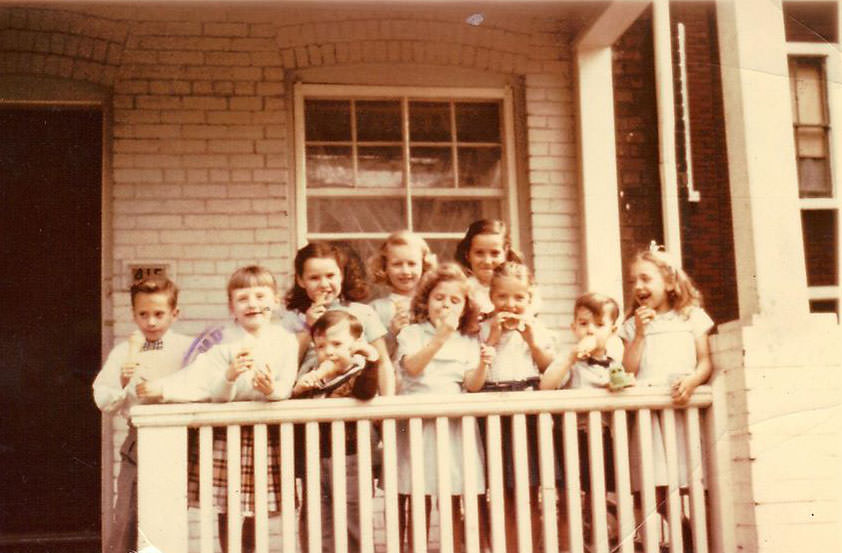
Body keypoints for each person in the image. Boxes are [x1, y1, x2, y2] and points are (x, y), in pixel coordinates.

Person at [138, 265, 298, 553]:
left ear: (275, 300)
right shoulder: (223, 340)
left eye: (260, 296)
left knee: (258, 509)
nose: (253, 304)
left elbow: (285, 388)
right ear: (231, 307)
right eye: (243, 298)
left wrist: (270, 390)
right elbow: (211, 391)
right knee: (229, 508)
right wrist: (230, 377)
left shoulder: (286, 341)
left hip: (265, 431)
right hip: (228, 433)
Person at [394, 262, 494, 553]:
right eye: (439, 298)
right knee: (418, 493)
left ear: (465, 307)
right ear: (426, 301)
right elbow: (412, 368)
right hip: (418, 422)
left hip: (454, 424)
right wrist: (439, 337)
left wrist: (484, 365)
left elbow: (472, 384)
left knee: (452, 493)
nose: (446, 305)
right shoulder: (412, 334)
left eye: (455, 300)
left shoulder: (467, 340)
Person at [618, 243, 713, 541]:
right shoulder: (632, 325)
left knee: (695, 481)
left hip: (683, 408)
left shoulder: (690, 316)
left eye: (646, 279)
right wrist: (641, 334)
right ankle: (685, 533)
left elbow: (705, 361)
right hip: (651, 415)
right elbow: (628, 369)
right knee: (652, 486)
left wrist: (693, 381)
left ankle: (705, 540)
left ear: (670, 282)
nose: (638, 286)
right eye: (634, 280)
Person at [93, 277, 193, 553]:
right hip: (138, 443)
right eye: (143, 314)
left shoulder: (188, 348)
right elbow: (103, 398)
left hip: (178, 441)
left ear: (175, 314)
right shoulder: (124, 352)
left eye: (159, 314)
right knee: (127, 514)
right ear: (133, 314)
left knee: (167, 520)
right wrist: (123, 382)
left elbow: (202, 384)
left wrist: (167, 391)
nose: (151, 322)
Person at [541, 292, 632, 548]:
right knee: (570, 496)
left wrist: (623, 386)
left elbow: (625, 390)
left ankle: (598, 543)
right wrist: (569, 357)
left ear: (613, 330)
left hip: (602, 437)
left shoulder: (615, 364)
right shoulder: (570, 362)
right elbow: (547, 385)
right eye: (583, 323)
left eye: (598, 325)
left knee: (600, 494)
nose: (590, 330)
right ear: (573, 327)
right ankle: (570, 545)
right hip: (571, 438)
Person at [479, 261, 555, 551]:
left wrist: (532, 341)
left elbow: (552, 370)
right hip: (493, 413)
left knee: (529, 491)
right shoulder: (482, 328)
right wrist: (494, 338)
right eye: (502, 297)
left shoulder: (538, 328)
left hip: (528, 412)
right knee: (500, 493)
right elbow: (476, 371)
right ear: (491, 296)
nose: (510, 304)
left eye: (518, 297)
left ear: (529, 297)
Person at [292, 310, 380, 553]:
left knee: (352, 513)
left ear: (357, 344)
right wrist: (299, 390)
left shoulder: (359, 372)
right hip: (316, 457)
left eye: (337, 344)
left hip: (350, 456)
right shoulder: (313, 374)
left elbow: (366, 392)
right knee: (317, 517)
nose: (328, 352)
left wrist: (372, 359)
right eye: (321, 346)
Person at [281, 241, 395, 395]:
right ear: (301, 280)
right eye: (314, 278)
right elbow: (286, 367)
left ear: (341, 275)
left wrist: (387, 404)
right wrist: (309, 328)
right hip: (311, 403)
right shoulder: (292, 318)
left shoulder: (363, 312)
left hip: (357, 401)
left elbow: (382, 362)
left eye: (330, 275)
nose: (324, 284)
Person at [368, 230, 437, 360]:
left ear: (424, 265)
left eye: (412, 264)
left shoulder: (433, 304)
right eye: (397, 264)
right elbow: (373, 359)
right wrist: (392, 334)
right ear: (385, 267)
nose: (405, 271)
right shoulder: (375, 310)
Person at [454, 219, 523, 315]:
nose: (487, 261)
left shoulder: (520, 290)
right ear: (467, 255)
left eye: (495, 253)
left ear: (505, 253)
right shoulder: (461, 291)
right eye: (479, 253)